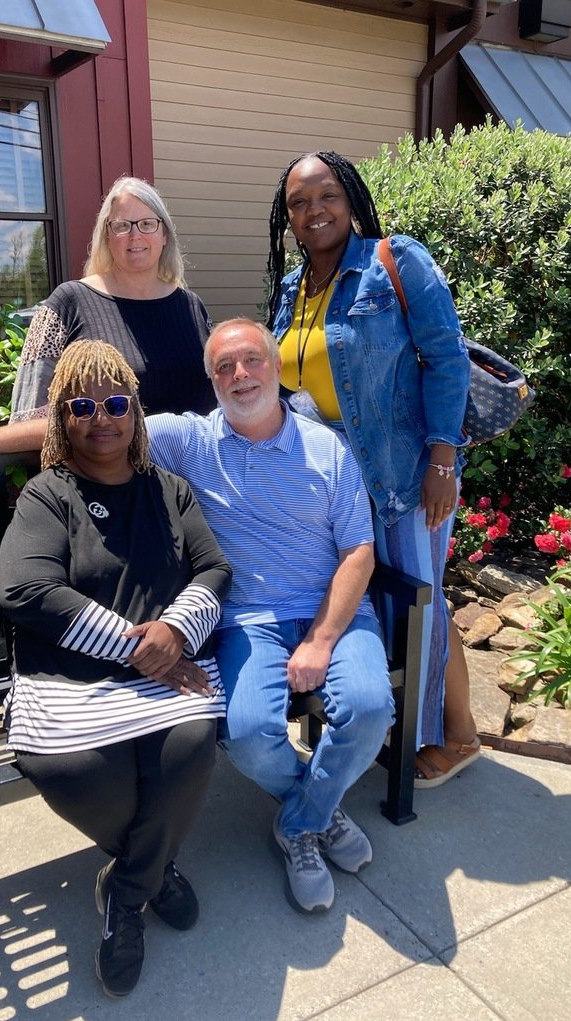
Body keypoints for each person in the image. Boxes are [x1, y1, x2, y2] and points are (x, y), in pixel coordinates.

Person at [0, 340, 231, 998]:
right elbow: (24, 589)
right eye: (83, 405)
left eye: (116, 402)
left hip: (167, 675)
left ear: (134, 412)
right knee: (77, 772)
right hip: (70, 679)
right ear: (62, 419)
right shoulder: (49, 495)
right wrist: (138, 646)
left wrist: (176, 630)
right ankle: (155, 872)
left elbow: (214, 569)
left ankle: (126, 895)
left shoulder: (170, 491)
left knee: (190, 747)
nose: (102, 417)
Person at [145, 318, 395, 915]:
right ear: (211, 381)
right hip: (248, 619)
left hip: (331, 610)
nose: (240, 375)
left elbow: (358, 550)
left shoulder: (324, 448)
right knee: (250, 733)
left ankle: (298, 823)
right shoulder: (191, 440)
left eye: (251, 360)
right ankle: (321, 814)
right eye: (224, 367)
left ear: (275, 367)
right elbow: (94, 424)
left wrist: (323, 638)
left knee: (368, 709)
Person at [266, 150, 480, 789]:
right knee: (376, 603)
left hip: (405, 475)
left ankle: (460, 734)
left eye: (325, 195)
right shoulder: (291, 287)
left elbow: (447, 358)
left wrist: (443, 457)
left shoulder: (395, 262)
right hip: (333, 487)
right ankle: (395, 725)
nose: (313, 211)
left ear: (351, 199)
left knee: (421, 603)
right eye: (298, 203)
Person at [0, 175, 215, 481]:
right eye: (122, 225)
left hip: (201, 491)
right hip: (112, 495)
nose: (135, 236)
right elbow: (34, 417)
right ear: (107, 237)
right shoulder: (68, 304)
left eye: (147, 224)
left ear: (164, 235)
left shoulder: (191, 307)